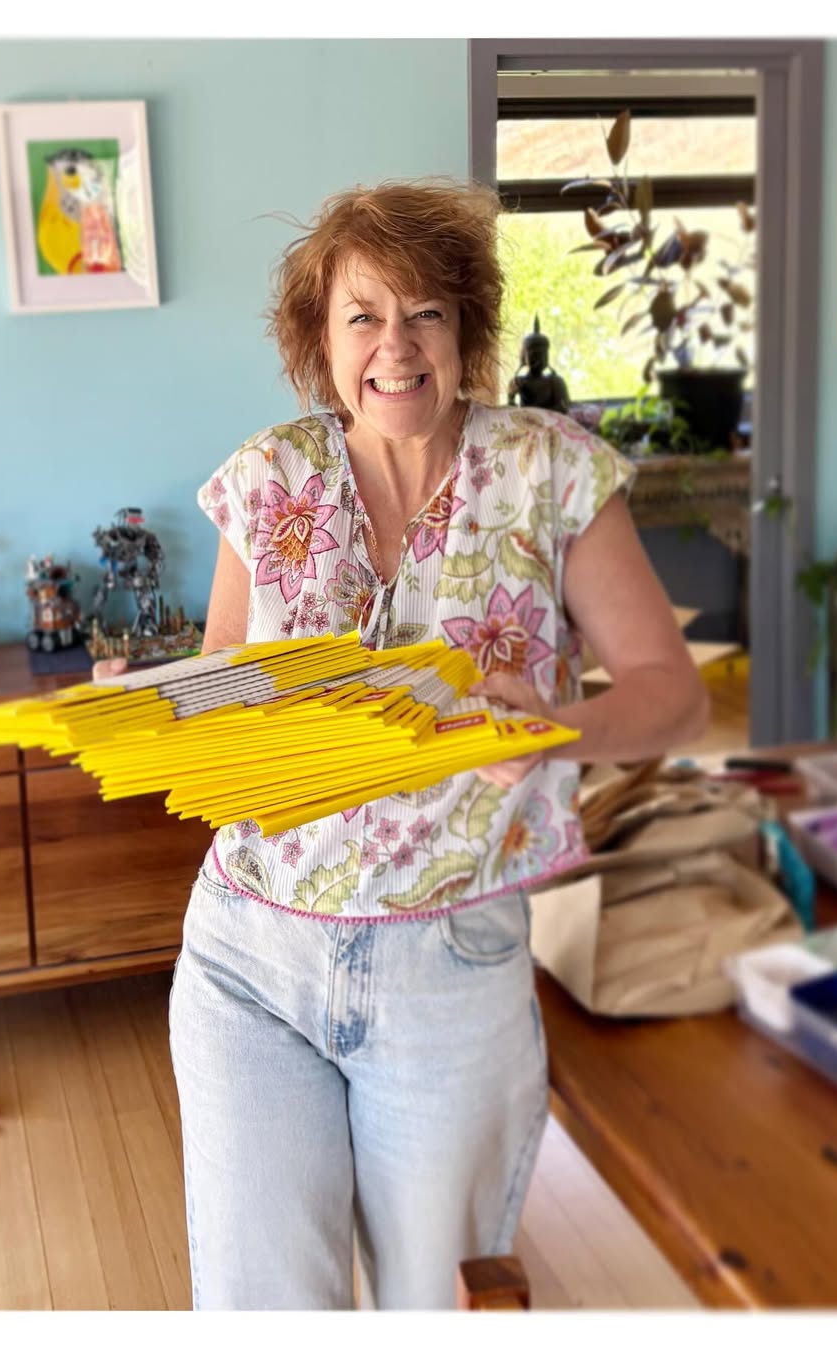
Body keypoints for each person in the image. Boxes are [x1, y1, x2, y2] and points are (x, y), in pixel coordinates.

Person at [95, 179, 708, 1311]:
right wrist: (153, 700)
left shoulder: (550, 472)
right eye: (363, 315)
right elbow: (225, 674)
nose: (396, 345)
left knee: (437, 1305)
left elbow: (675, 698)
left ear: (465, 327)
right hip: (250, 954)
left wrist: (552, 731)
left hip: (449, 962)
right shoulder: (267, 477)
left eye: (426, 312)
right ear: (319, 338)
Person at [506, 315, 571, 413]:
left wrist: (536, 413)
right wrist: (511, 397)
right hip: (527, 421)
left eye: (543, 355)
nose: (539, 360)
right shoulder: (519, 381)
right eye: (534, 355)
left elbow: (563, 408)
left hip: (550, 421)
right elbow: (511, 413)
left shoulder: (555, 381)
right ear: (524, 358)